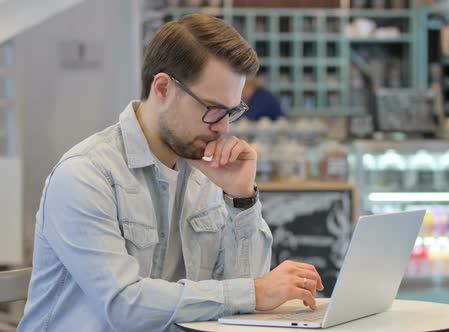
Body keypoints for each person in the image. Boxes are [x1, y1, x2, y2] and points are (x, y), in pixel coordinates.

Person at [18, 14, 323, 332]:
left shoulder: (205, 172)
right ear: (163, 87)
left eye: (231, 112)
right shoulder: (85, 175)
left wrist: (241, 198)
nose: (223, 127)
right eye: (213, 109)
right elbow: (124, 305)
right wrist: (255, 292)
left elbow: (242, 305)